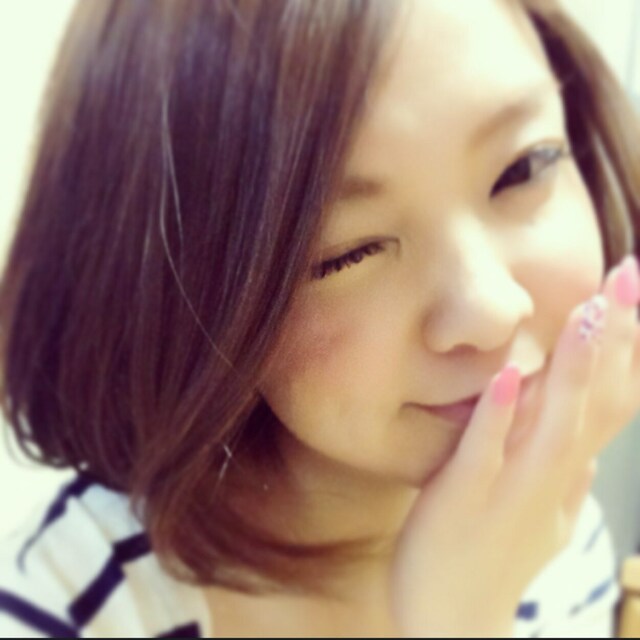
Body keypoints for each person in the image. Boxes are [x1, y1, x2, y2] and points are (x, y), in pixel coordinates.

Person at [1, 0, 639, 636]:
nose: (492, 310)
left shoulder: (554, 529)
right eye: (347, 253)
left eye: (523, 168)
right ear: (180, 299)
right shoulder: (67, 606)